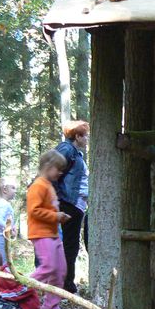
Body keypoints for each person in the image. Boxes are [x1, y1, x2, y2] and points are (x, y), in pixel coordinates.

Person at [27, 149, 70, 309]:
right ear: (47, 166)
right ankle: (21, 287)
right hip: (41, 233)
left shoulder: (48, 185)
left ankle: (51, 305)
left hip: (53, 233)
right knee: (48, 267)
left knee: (60, 269)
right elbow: (34, 210)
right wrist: (56, 215)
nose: (60, 172)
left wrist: (58, 217)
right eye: (58, 169)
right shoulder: (38, 186)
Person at [55, 120, 90, 293]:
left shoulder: (75, 153)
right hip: (68, 204)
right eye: (86, 136)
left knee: (71, 245)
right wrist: (55, 201)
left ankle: (67, 283)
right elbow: (52, 172)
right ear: (77, 136)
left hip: (75, 206)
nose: (88, 139)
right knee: (69, 245)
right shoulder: (67, 149)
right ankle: (66, 285)